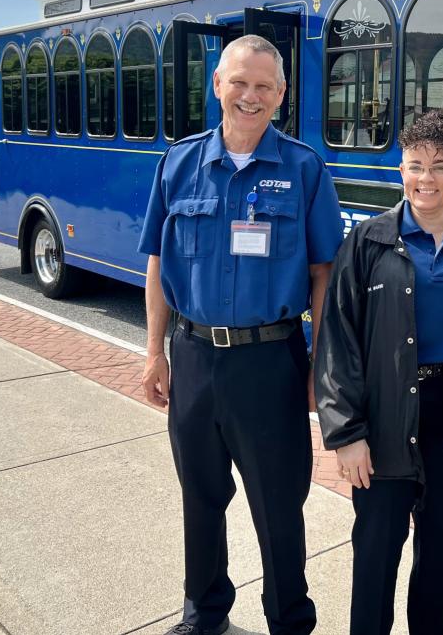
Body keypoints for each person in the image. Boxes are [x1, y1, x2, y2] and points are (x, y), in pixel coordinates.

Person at [139, 34, 343, 635]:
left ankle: (289, 621)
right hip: (195, 356)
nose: (249, 96)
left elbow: (323, 274)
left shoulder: (303, 168)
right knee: (200, 500)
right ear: (217, 85)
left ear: (280, 95)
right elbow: (156, 261)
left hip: (270, 363)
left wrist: (318, 367)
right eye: (239, 82)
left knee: (279, 509)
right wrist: (155, 352)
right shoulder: (179, 163)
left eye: (263, 86)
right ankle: (203, 615)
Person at [315, 109, 443, 635]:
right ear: (401, 170)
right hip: (383, 417)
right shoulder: (368, 244)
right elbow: (338, 341)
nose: (427, 178)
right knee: (375, 555)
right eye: (416, 165)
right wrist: (347, 433)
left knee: (438, 552)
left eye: (441, 166)